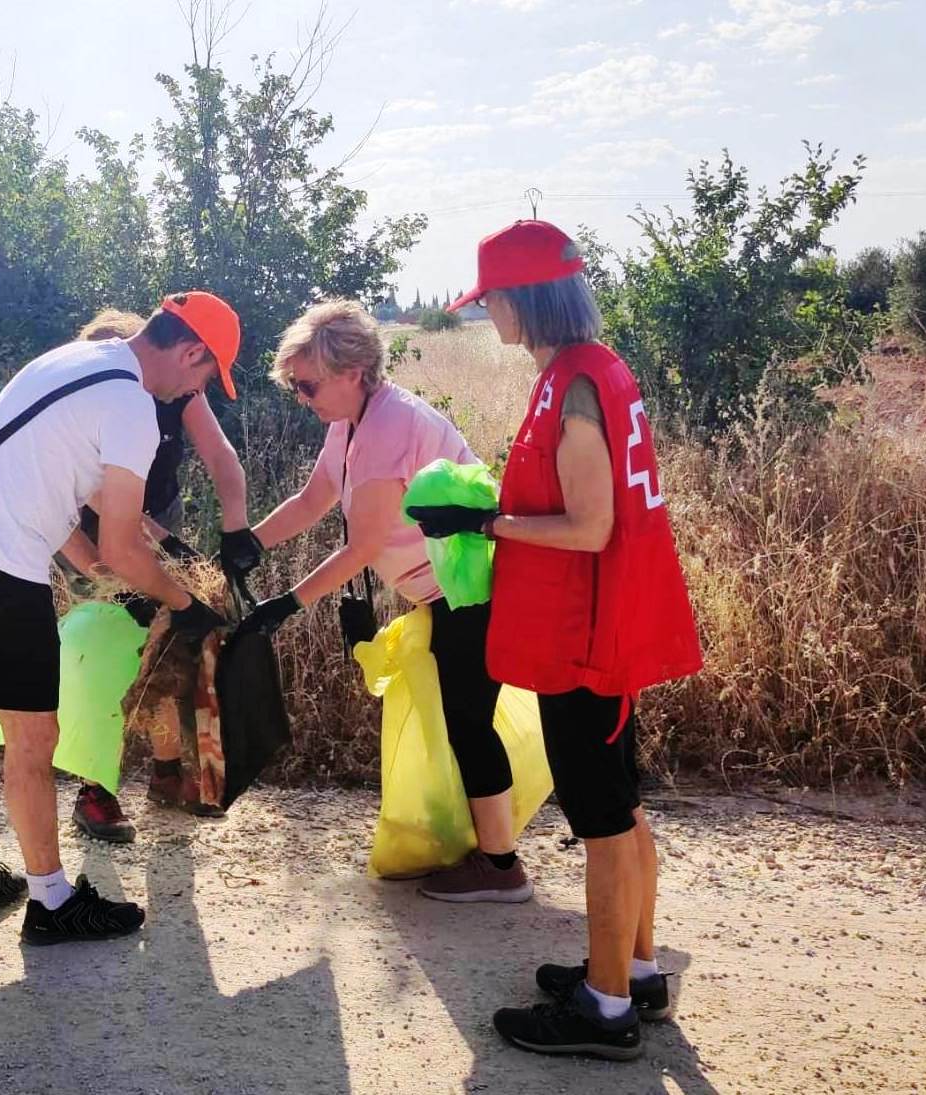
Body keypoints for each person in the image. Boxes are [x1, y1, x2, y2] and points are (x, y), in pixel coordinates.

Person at [409, 221, 702, 1060]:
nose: (487, 314)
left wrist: (485, 522)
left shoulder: (578, 384)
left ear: (522, 297)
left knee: (604, 819)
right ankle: (634, 969)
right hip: (595, 627)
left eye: (491, 299)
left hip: (587, 635)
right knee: (623, 800)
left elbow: (591, 524)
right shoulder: (586, 371)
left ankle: (605, 1010)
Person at [0, 292, 238, 945]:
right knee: (35, 741)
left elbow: (59, 483)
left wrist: (104, 570)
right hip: (0, 572)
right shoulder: (134, 407)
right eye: (205, 376)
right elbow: (120, 546)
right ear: (192, 350)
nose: (193, 391)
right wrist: (183, 603)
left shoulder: (76, 360)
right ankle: (54, 903)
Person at [233, 299, 534, 903]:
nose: (302, 397)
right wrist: (248, 543)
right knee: (457, 720)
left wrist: (285, 606)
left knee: (468, 724)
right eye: (295, 386)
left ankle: (501, 868)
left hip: (472, 596)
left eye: (308, 384)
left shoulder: (388, 426)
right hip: (448, 595)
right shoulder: (353, 422)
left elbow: (363, 545)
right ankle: (482, 848)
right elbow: (317, 496)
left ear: (353, 371)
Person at [60, 308, 262, 841]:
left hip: (158, 517)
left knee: (174, 644)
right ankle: (93, 790)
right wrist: (168, 561)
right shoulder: (96, 397)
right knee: (101, 652)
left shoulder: (180, 387)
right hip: (89, 532)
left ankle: (168, 773)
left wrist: (237, 531)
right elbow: (109, 509)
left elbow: (223, 459)